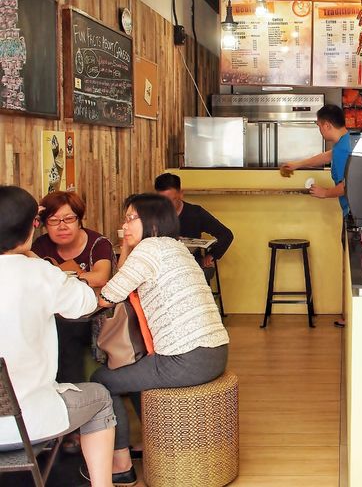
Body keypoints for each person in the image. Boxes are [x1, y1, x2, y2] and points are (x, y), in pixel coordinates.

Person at [91, 193, 229, 483]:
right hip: (213, 351)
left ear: (152, 221)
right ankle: (154, 441)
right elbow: (124, 282)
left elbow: (109, 295)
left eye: (131, 218)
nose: (124, 225)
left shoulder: (149, 250)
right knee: (136, 370)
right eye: (125, 218)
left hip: (186, 359)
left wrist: (126, 249)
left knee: (103, 380)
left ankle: (121, 464)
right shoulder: (175, 247)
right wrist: (128, 246)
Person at [0, 186, 115, 487]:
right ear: (32, 227)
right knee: (101, 399)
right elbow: (86, 302)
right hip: (27, 423)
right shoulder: (39, 273)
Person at [32, 190, 115, 454]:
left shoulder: (97, 243)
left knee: (65, 334)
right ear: (44, 225)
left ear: (80, 220)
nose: (62, 226)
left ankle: (72, 426)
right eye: (54, 221)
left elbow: (101, 276)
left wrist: (60, 274)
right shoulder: (40, 247)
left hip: (95, 316)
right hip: (58, 315)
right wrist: (76, 275)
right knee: (56, 332)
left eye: (69, 219)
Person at [283, 104, 351, 327]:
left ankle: (348, 315)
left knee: (349, 267)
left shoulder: (343, 149)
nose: (320, 131)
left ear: (327, 125)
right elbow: (325, 156)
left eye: (319, 126)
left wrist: (325, 193)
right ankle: (348, 314)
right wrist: (298, 164)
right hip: (354, 212)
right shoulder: (346, 142)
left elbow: (346, 186)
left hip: (352, 214)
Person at [154, 172, 234, 281]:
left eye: (171, 200)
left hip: (190, 265)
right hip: (161, 266)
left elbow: (226, 235)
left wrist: (211, 256)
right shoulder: (153, 214)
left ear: (181, 194)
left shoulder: (195, 213)